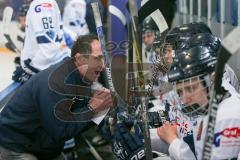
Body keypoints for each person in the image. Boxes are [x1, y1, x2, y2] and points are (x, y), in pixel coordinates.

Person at [0, 34, 113, 160]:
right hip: (15, 147)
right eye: (97, 59)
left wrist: (104, 115)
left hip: (42, 145)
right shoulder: (56, 83)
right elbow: (61, 131)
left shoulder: (83, 77)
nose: (102, 66)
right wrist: (93, 109)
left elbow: (77, 120)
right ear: (80, 59)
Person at [157, 32, 240, 159]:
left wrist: (173, 141)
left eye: (191, 88)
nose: (184, 99)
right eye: (180, 92)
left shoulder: (228, 117)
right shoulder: (207, 108)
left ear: (211, 80)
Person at [14, 0, 70, 83]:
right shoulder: (52, 2)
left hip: (42, 67)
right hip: (60, 59)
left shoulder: (39, 4)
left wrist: (32, 69)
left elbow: (48, 49)